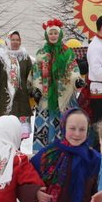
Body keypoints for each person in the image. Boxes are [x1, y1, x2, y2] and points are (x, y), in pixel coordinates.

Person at [31, 19, 83, 153]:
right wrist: (36, 89)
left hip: (64, 97)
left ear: (60, 35)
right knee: (45, 127)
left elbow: (73, 70)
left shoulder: (68, 53)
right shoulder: (41, 53)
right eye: (51, 33)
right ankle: (43, 155)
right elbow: (36, 73)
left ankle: (67, 153)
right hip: (46, 97)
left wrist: (76, 80)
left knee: (66, 124)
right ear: (47, 35)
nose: (53, 35)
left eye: (55, 33)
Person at [0, 30, 33, 139]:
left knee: (19, 130)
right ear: (8, 40)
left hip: (21, 98)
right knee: (5, 128)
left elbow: (30, 76)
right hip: (4, 98)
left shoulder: (25, 57)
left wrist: (32, 91)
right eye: (13, 40)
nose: (15, 42)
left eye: (17, 40)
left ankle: (18, 150)